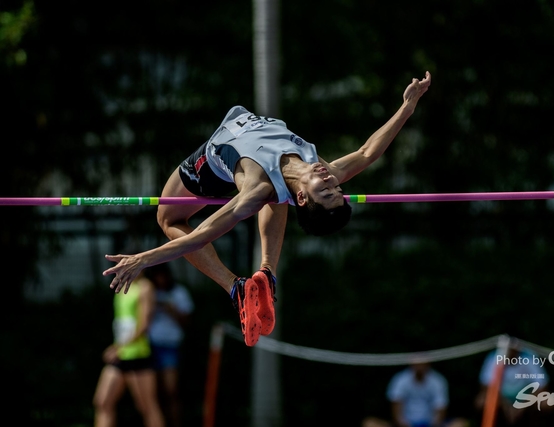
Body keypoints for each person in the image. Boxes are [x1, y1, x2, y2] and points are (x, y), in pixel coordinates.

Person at [103, 71, 432, 346]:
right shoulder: (321, 169)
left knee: (168, 216)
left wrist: (143, 259)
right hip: (255, 156)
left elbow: (202, 234)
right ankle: (266, 275)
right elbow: (366, 153)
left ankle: (234, 287)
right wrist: (407, 107)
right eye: (337, 188)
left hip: (211, 166)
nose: (330, 181)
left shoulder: (256, 190)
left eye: (326, 191)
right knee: (279, 194)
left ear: (305, 199)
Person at [93, 270, 165, 427]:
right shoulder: (123, 286)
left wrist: (120, 347)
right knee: (103, 401)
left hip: (137, 354)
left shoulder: (145, 287)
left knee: (147, 406)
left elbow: (144, 324)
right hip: (120, 355)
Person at [145, 262, 194, 427]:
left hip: (170, 347)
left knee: (171, 391)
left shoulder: (179, 293)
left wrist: (170, 309)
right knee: (153, 394)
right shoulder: (149, 292)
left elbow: (187, 322)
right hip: (150, 346)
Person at [474, 339, 551, 427]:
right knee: (482, 401)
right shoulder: (494, 357)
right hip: (501, 399)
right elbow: (486, 387)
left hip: (526, 399)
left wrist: (522, 404)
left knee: (547, 401)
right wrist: (506, 405)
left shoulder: (529, 356)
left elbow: (542, 386)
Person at [386, 361, 450, 427]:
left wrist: (434, 424)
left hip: (430, 423)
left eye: (422, 362)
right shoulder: (400, 379)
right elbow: (396, 407)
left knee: (458, 423)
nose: (420, 365)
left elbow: (441, 406)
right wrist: (403, 424)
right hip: (406, 424)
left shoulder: (438, 380)